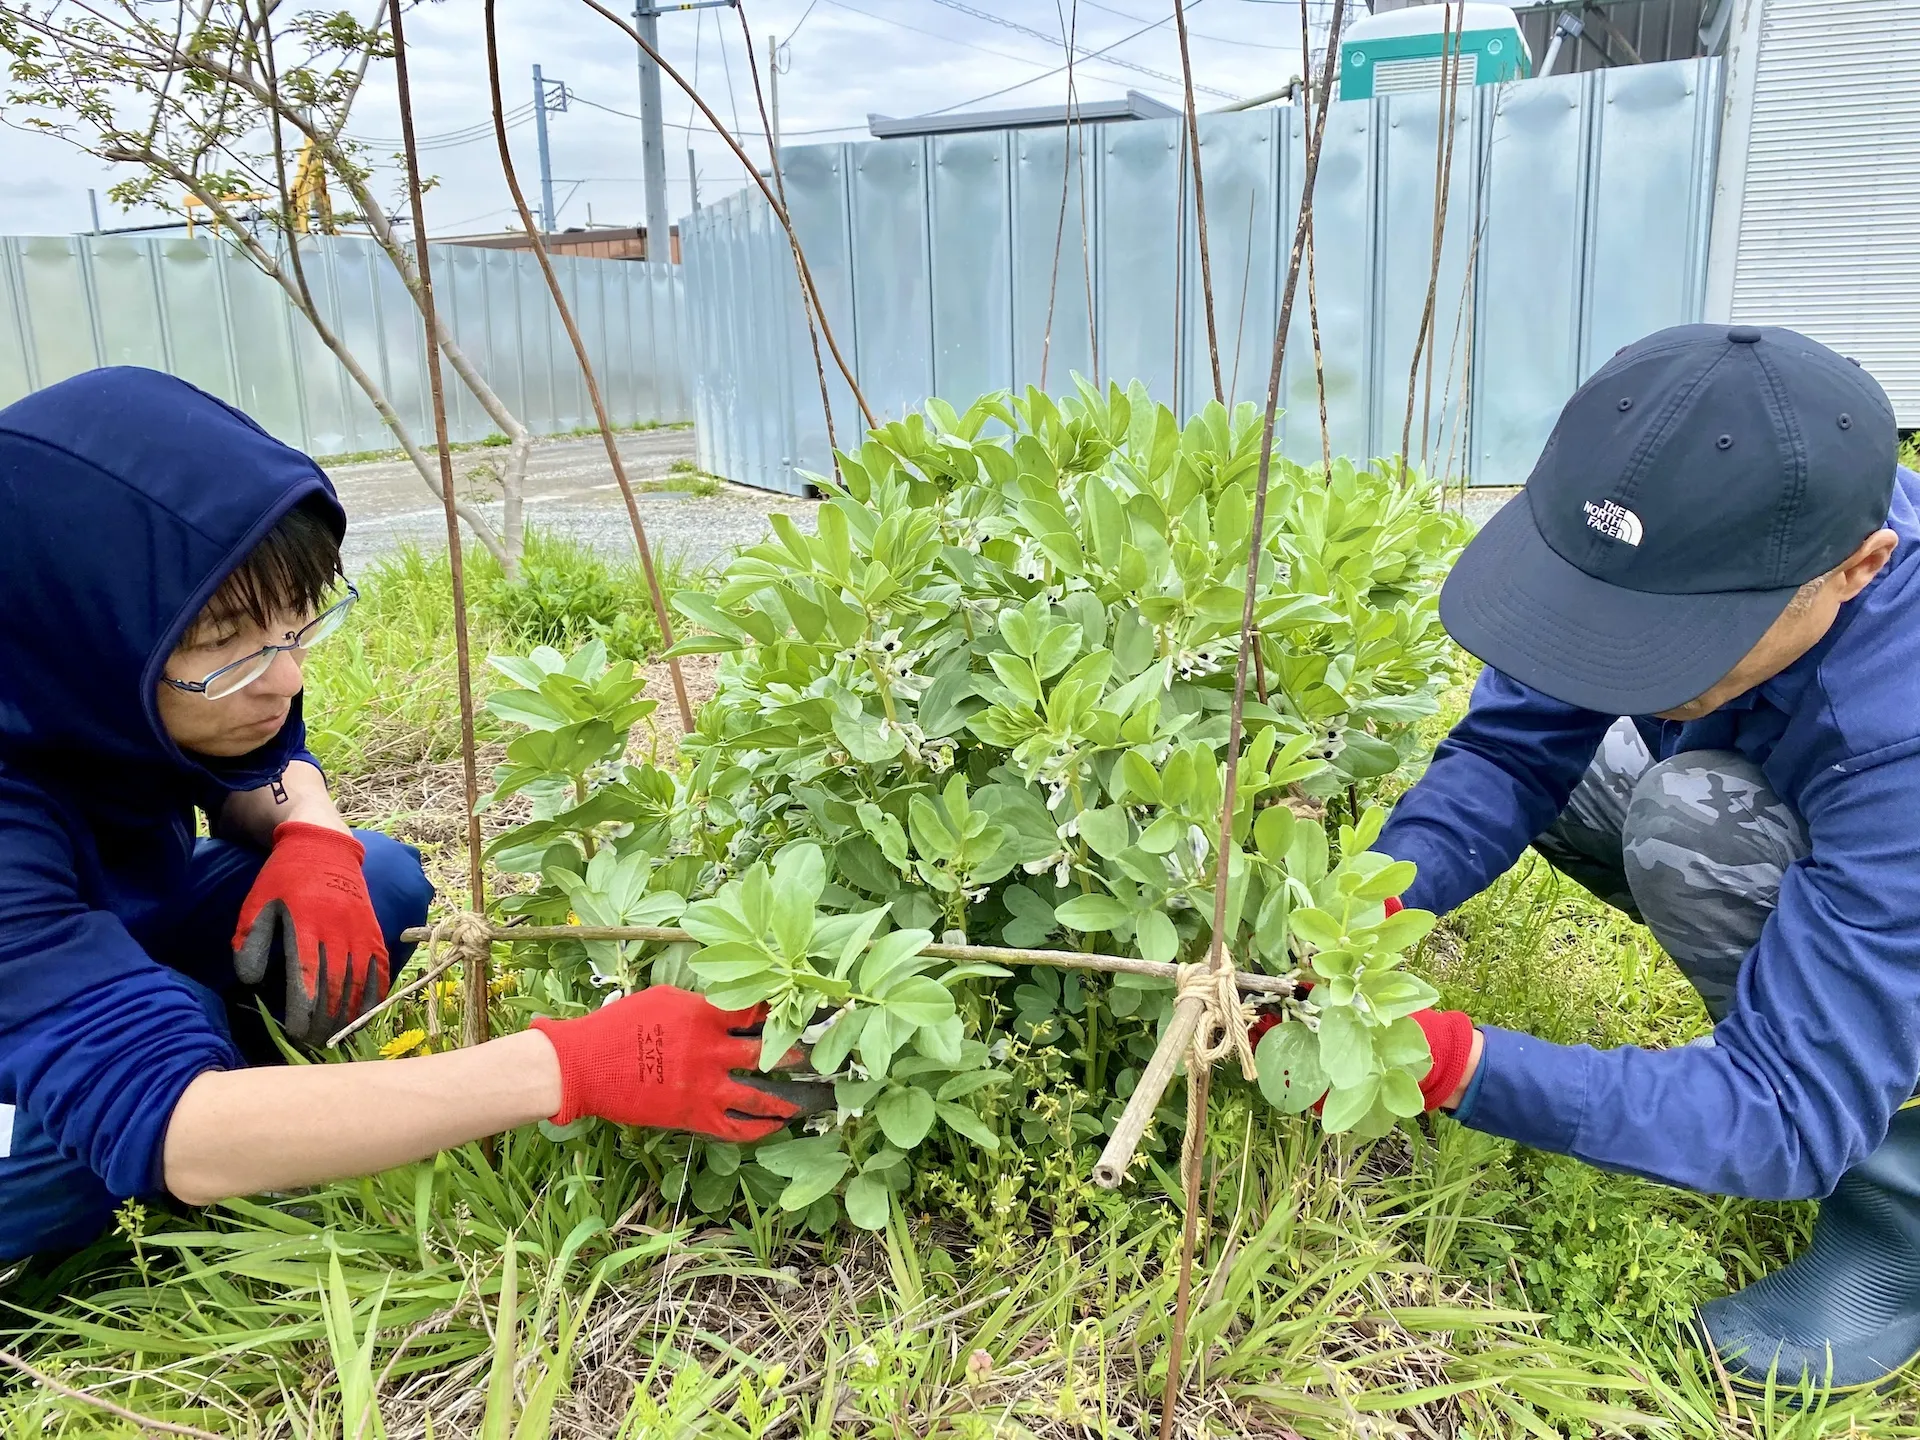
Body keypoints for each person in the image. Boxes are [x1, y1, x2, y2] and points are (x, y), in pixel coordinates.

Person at [0, 368, 811, 1266]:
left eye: (296, 623)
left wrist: (312, 833)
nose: (287, 677)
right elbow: (177, 1133)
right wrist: (565, 1066)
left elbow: (252, 770)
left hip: (92, 926)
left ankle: (240, 1081)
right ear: (78, 621)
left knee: (372, 874)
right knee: (109, 1139)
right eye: (223, 640)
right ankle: (219, 1107)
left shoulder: (91, 668)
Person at [1364, 323, 1918, 1393]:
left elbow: (1784, 1111)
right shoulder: (1691, 523)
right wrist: (1381, 899)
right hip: (1836, 812)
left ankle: (1899, 1204)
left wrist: (1457, 1065)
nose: (1615, 653)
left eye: (1682, 632)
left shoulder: (1900, 728)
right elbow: (1513, 750)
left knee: (1685, 816)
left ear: (1859, 568)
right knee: (1595, 771)